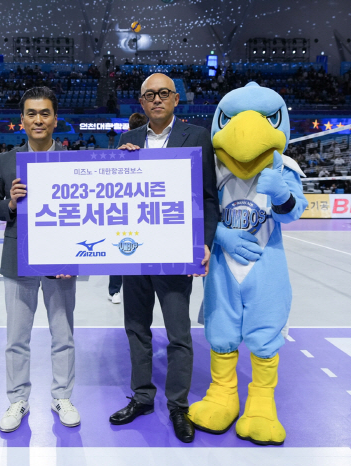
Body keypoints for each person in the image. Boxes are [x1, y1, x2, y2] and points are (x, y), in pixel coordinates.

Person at [108, 73, 219, 443]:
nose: (157, 99)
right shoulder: (126, 139)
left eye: (163, 93)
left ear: (175, 99)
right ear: (141, 102)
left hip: (175, 251)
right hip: (135, 251)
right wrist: (118, 163)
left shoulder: (198, 137)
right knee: (136, 329)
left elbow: (208, 197)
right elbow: (115, 194)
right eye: (150, 95)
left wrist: (204, 242)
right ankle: (142, 397)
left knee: (178, 334)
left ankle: (177, 406)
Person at [0, 87, 80, 433]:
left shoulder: (74, 160)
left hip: (61, 261)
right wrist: (9, 203)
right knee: (17, 338)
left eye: (45, 113)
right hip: (18, 259)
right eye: (32, 114)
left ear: (55, 119)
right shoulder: (6, 161)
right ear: (22, 120)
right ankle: (17, 399)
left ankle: (62, 396)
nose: (39, 120)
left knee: (63, 335)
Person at [107, 112, 149, 305]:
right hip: (131, 205)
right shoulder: (125, 142)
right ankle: (116, 290)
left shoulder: (149, 145)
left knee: (122, 250)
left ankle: (115, 290)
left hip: (135, 204)